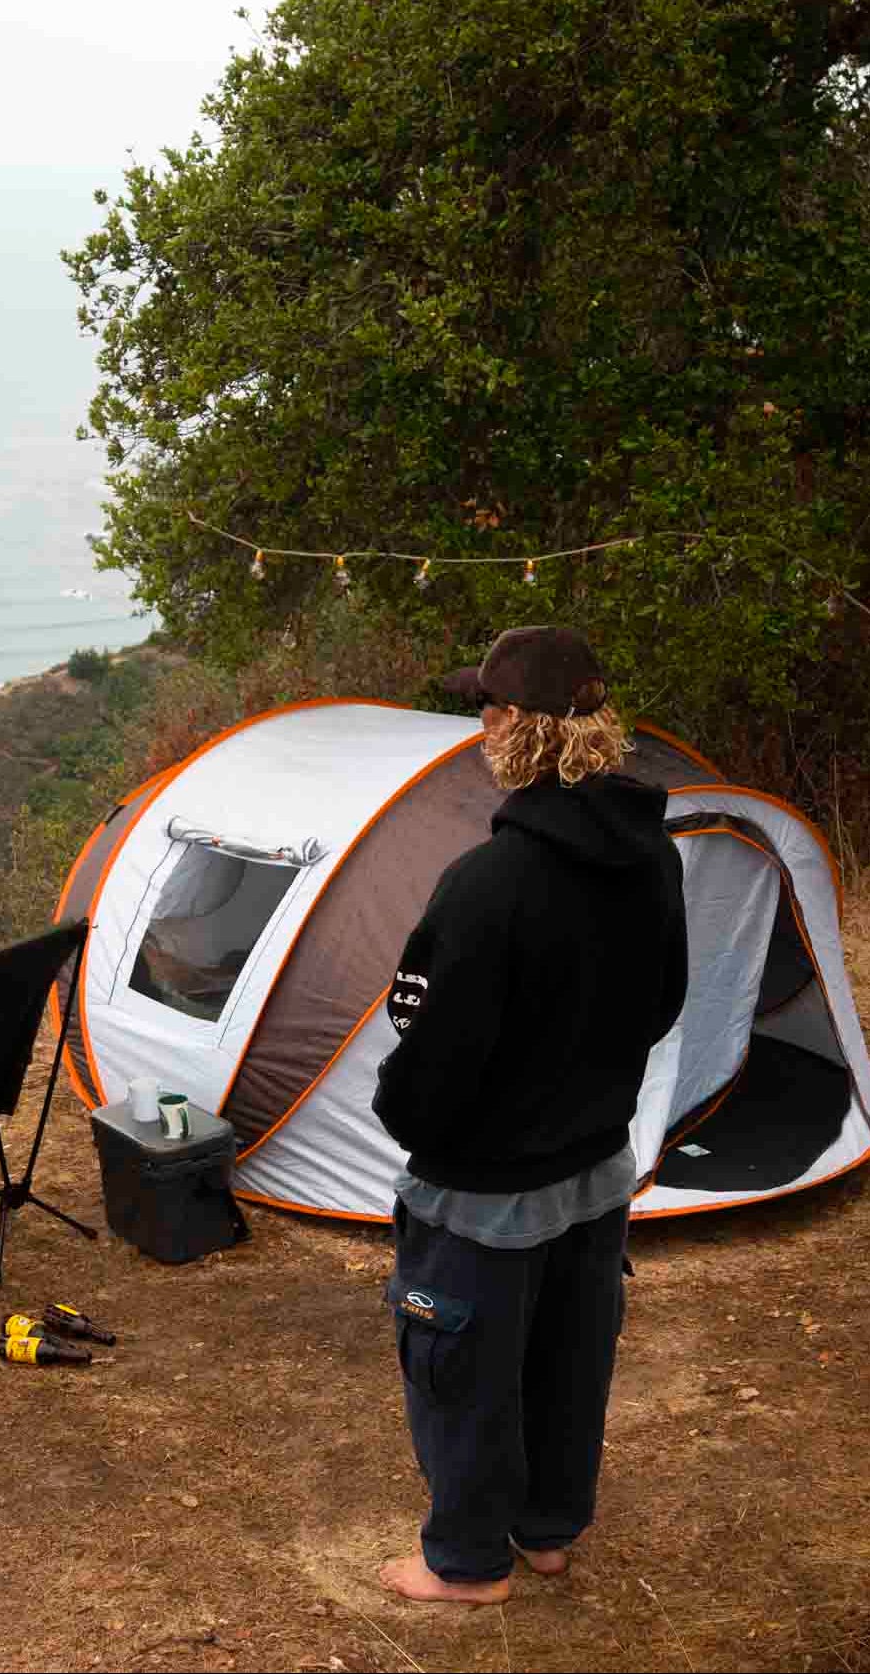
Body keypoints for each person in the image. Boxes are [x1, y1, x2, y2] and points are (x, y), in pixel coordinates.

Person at [371, 625, 689, 1605]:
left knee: (461, 1370)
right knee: (569, 1355)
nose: (478, 724)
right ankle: (548, 1531)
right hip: (597, 1166)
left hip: (487, 1186)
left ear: (519, 727)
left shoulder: (488, 886)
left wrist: (409, 1113)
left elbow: (430, 1064)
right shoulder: (652, 858)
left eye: (485, 707)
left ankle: (464, 1564)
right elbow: (665, 1001)